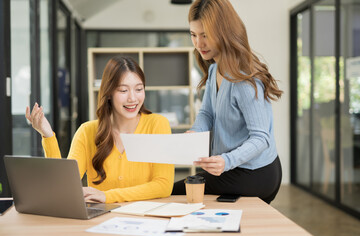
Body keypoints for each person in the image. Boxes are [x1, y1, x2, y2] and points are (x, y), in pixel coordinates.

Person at [172, 0, 283, 204]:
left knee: (174, 190)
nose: (198, 43)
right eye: (193, 35)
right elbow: (207, 113)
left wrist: (226, 160)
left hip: (255, 173)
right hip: (234, 168)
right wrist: (196, 132)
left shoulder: (244, 79)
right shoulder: (215, 68)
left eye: (205, 35)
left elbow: (261, 138)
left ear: (223, 32)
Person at [26, 56, 174, 203]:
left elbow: (163, 185)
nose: (133, 98)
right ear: (109, 93)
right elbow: (63, 186)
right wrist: (47, 135)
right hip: (101, 221)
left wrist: (108, 196)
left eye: (139, 89)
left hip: (146, 219)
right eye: (123, 90)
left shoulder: (157, 125)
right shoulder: (87, 131)